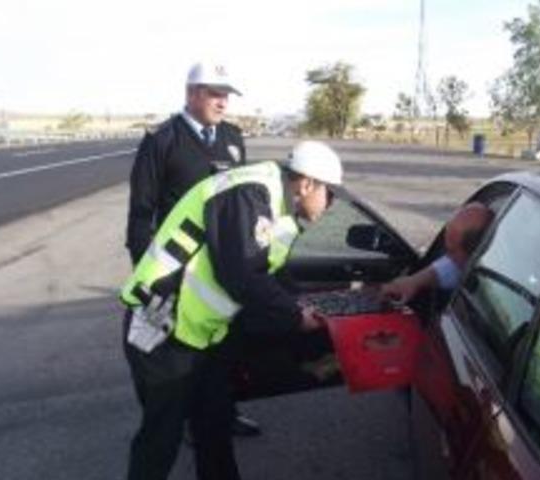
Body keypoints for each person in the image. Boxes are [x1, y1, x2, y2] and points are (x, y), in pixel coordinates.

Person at [120, 141, 343, 480]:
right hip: (160, 327)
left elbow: (271, 274)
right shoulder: (248, 193)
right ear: (308, 183)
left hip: (200, 333)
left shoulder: (279, 212)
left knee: (214, 423)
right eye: (331, 193)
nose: (331, 204)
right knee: (161, 438)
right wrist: (296, 317)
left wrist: (300, 304)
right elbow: (240, 273)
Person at [125, 60, 260, 436]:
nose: (223, 102)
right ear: (192, 94)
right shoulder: (161, 140)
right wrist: (150, 277)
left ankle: (224, 413)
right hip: (177, 273)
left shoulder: (233, 138)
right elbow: (140, 216)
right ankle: (180, 422)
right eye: (215, 94)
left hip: (222, 270)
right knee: (179, 355)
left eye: (227, 95)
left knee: (223, 349)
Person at [380, 202, 492, 303]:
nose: (448, 258)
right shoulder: (466, 263)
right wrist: (414, 281)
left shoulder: (487, 284)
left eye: (451, 251)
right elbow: (449, 268)